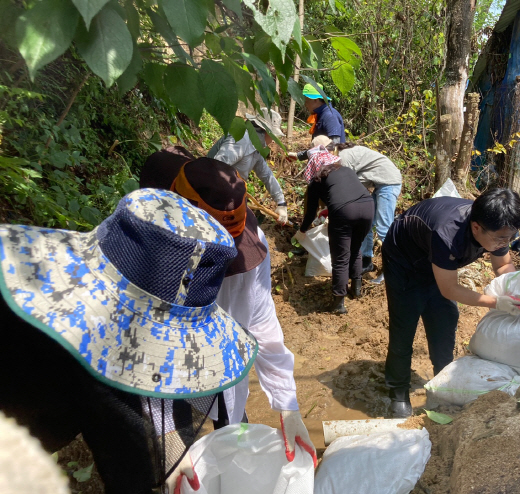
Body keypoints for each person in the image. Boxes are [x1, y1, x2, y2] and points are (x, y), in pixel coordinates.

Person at [0, 188, 258, 493]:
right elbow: (127, 460)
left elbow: (147, 380)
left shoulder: (84, 295)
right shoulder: (94, 357)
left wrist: (173, 447)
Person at [141, 150, 317, 469]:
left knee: (231, 423)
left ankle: (232, 437)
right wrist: (165, 432)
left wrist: (287, 404)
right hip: (165, 365)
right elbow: (145, 346)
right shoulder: (151, 252)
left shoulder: (251, 241)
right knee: (172, 446)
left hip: (220, 356)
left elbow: (261, 324)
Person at [382, 189, 520, 417]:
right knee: (405, 325)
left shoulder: (495, 225)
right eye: (501, 238)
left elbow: (502, 266)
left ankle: (443, 381)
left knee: (445, 320)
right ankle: (398, 391)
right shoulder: (448, 233)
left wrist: (518, 289)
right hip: (405, 263)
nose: (505, 243)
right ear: (476, 228)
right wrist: (496, 303)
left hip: (442, 267)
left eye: (510, 237)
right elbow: (449, 288)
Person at [297, 146, 374, 314]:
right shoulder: (346, 170)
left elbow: (310, 213)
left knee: (340, 258)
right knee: (356, 248)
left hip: (344, 211)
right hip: (368, 207)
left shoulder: (316, 181)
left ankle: (339, 303)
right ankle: (357, 288)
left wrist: (301, 231)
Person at [316, 137, 401, 279]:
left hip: (389, 182)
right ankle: (366, 261)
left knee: (383, 228)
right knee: (366, 224)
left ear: (329, 151)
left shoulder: (343, 159)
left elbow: (345, 192)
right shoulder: (339, 155)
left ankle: (392, 271)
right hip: (379, 183)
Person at [207, 108, 289, 225]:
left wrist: (281, 203)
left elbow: (266, 175)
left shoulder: (256, 147)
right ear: (266, 132)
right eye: (273, 136)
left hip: (231, 193)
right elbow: (215, 169)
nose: (273, 141)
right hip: (214, 195)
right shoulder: (242, 140)